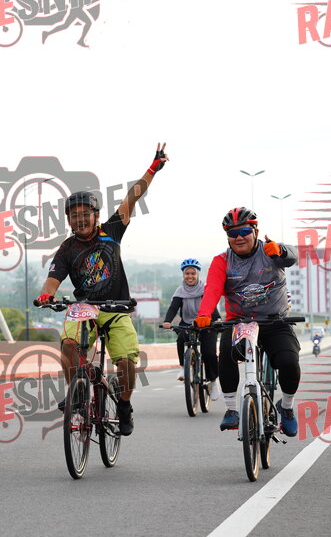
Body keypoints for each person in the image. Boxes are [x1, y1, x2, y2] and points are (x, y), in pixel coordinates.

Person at [36, 143, 168, 436]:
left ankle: (124, 405)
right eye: (74, 216)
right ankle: (77, 392)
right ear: (68, 220)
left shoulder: (111, 231)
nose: (80, 219)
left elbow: (132, 197)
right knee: (69, 346)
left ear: (96, 215)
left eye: (86, 213)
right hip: (85, 310)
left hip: (117, 308)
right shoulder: (67, 248)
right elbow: (53, 279)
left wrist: (152, 169)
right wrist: (47, 295)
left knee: (126, 361)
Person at [195, 207, 301, 436]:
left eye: (244, 231)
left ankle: (287, 407)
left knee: (289, 361)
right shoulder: (222, 261)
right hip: (239, 323)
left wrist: (282, 250)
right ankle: (232, 410)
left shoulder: (270, 251)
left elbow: (293, 256)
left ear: (255, 232)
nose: (239, 237)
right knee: (226, 354)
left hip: (274, 321)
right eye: (233, 234)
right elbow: (212, 290)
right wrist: (204, 314)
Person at [162, 258, 220, 399]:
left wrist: (217, 319)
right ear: (183, 275)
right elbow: (173, 308)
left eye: (193, 273)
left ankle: (213, 382)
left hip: (206, 323)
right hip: (188, 323)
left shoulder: (204, 289)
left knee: (209, 354)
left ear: (198, 274)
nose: (190, 276)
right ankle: (183, 368)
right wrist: (167, 321)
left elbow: (211, 306)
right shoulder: (180, 291)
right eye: (187, 273)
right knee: (180, 339)